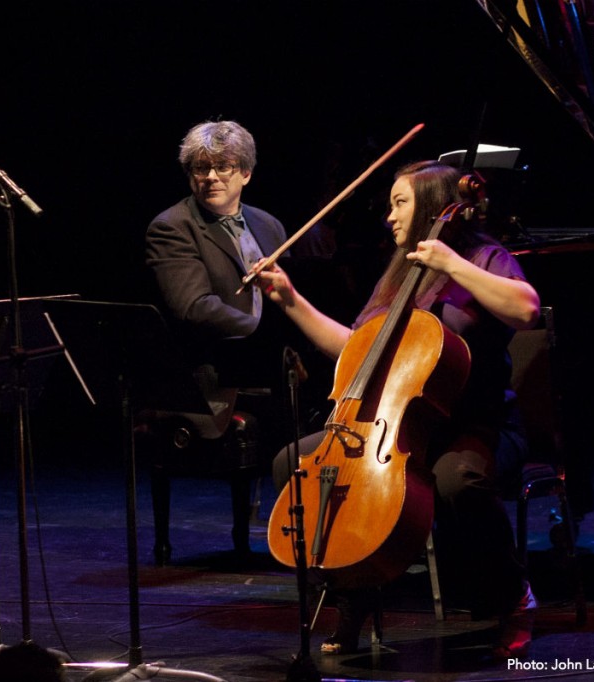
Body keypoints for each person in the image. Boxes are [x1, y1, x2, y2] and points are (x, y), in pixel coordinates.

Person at [258, 160, 541, 660]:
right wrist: (290, 300)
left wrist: (452, 264)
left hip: (474, 424)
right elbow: (356, 350)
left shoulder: (483, 256)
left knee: (457, 483)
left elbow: (526, 309)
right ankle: (352, 591)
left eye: (399, 203)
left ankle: (513, 597)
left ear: (431, 205)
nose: (389, 216)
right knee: (292, 465)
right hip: (395, 426)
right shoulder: (399, 273)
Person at [143, 120, 291, 562]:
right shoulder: (172, 227)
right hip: (213, 373)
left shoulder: (269, 225)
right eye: (201, 168)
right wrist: (265, 338)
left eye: (223, 167)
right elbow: (194, 306)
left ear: (245, 173)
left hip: (268, 362)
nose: (211, 177)